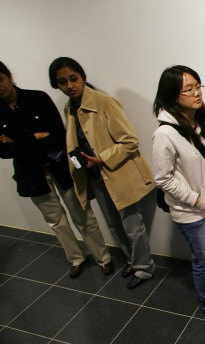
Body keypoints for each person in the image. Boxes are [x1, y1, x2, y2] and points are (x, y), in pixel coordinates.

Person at [48, 57, 155, 289]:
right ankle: (131, 261)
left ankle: (144, 268)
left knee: (132, 226)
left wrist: (101, 158)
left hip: (118, 174)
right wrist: (80, 163)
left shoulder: (104, 102)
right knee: (113, 225)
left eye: (73, 78)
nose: (69, 85)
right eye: (62, 82)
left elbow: (130, 141)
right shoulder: (69, 107)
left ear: (83, 76)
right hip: (96, 177)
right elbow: (74, 142)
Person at [0, 61, 112, 278]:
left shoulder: (37, 98)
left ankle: (103, 257)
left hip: (60, 167)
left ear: (9, 76)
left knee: (83, 215)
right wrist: (34, 136)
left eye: (0, 80)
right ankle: (77, 258)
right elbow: (3, 152)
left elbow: (57, 136)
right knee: (56, 221)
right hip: (31, 175)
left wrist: (17, 143)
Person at [152, 65, 205, 319]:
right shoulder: (164, 134)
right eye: (188, 89)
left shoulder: (200, 119)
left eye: (198, 86)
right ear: (172, 95)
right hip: (189, 209)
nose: (196, 93)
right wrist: (195, 199)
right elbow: (162, 179)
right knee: (204, 258)